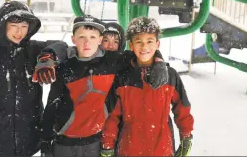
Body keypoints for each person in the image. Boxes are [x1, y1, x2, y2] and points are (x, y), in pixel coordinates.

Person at [34, 15, 168, 157]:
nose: (87, 42)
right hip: (64, 142)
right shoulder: (65, 66)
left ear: (99, 40)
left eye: (92, 37)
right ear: (73, 39)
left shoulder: (112, 61)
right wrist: (46, 142)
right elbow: (52, 104)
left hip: (96, 142)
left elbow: (142, 52)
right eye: (81, 37)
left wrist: (159, 61)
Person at [0, 1, 68, 157]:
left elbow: (62, 46)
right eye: (14, 26)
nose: (19, 32)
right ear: (2, 25)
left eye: (24, 26)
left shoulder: (33, 50)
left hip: (29, 144)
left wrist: (48, 57)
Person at [100, 17, 194, 157]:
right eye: (139, 42)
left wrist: (186, 136)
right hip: (129, 148)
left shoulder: (170, 76)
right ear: (131, 45)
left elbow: (182, 108)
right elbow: (112, 115)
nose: (144, 47)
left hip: (162, 149)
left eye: (149, 41)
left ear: (157, 44)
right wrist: (107, 144)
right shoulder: (123, 78)